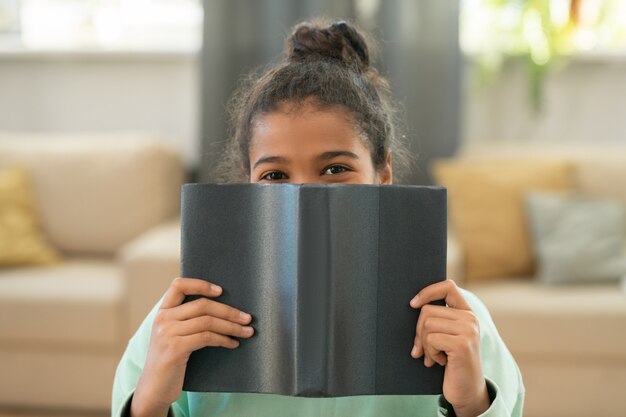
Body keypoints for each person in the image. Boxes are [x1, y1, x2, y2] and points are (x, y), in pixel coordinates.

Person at [112, 19, 524, 417]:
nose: (305, 195)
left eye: (334, 169)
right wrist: (149, 403)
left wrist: (472, 404)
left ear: (383, 173)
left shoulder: (460, 327)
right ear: (247, 185)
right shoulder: (177, 328)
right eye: (274, 175)